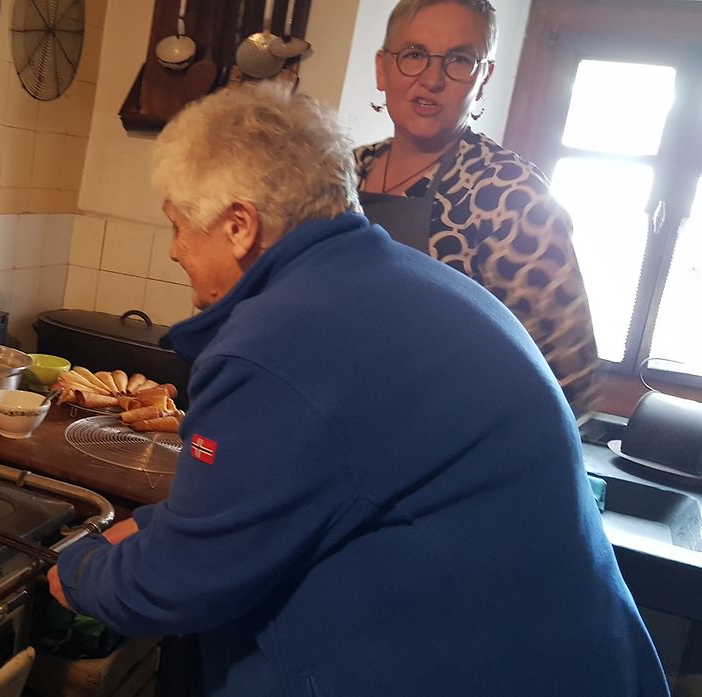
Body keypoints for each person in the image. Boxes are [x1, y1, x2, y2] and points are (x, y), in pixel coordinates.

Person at [47, 82, 667, 697]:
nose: (175, 251)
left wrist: (76, 569)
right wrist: (156, 527)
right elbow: (283, 499)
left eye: (179, 226)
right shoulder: (414, 283)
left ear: (238, 226)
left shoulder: (279, 342)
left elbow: (183, 582)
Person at [356, 0, 598, 414]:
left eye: (459, 60)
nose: (432, 79)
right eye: (414, 55)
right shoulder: (341, 173)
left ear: (483, 78)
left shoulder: (509, 194)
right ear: (383, 68)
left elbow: (568, 373)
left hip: (444, 441)